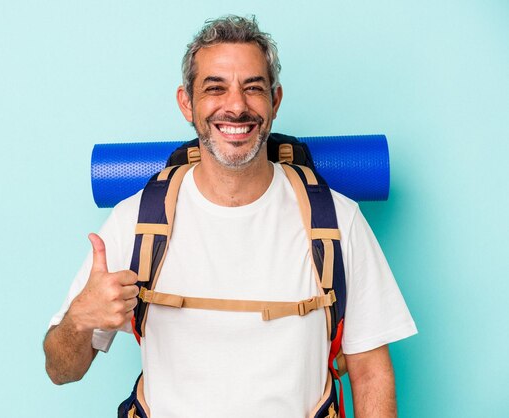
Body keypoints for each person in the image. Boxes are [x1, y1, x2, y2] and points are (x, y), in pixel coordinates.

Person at [43, 15, 417, 418]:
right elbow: (61, 370)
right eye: (215, 88)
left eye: (253, 88)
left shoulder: (337, 221)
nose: (236, 106)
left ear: (275, 100)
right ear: (187, 102)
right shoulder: (133, 222)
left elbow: (371, 373)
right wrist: (79, 320)